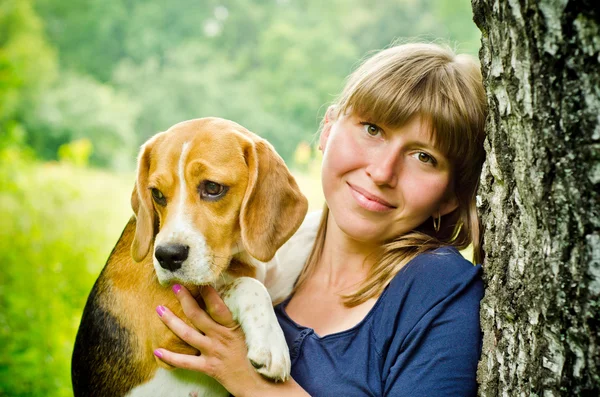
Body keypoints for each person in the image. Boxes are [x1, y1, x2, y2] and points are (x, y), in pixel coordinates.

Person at [152, 42, 487, 396]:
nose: (382, 172)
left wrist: (254, 385)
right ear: (328, 127)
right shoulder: (264, 250)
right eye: (372, 129)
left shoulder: (442, 293)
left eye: (424, 156)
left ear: (450, 196)